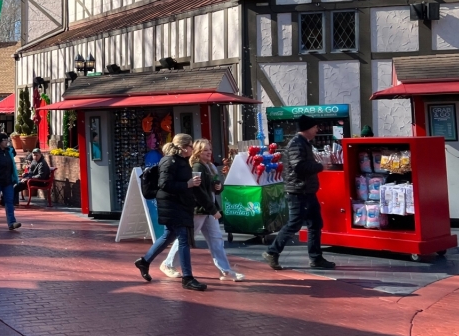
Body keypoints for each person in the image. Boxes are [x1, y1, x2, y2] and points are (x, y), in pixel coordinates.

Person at [160, 139, 245, 282]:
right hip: (199, 210)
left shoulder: (210, 166)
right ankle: (168, 264)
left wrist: (219, 187)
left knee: (216, 239)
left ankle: (225, 270)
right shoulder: (197, 166)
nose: (209, 152)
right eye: (205, 150)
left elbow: (212, 188)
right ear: (198, 152)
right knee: (186, 238)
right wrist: (213, 210)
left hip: (208, 209)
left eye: (210, 150)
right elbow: (199, 192)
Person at [132, 133, 207, 292]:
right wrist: (187, 184)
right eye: (190, 146)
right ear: (182, 147)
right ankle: (187, 277)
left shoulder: (181, 161)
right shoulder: (169, 161)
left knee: (168, 236)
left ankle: (144, 261)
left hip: (177, 205)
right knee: (184, 239)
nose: (192, 149)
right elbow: (164, 184)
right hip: (172, 205)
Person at [263, 115, 336, 271]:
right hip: (298, 191)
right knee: (294, 223)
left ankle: (316, 258)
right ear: (308, 128)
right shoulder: (297, 144)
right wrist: (320, 166)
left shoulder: (303, 143)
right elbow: (299, 167)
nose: (317, 130)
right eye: (315, 127)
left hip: (306, 191)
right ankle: (272, 251)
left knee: (315, 224)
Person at [0, 133, 21, 230]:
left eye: (7, 140)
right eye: (4, 140)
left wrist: (14, 177)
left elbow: (12, 165)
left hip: (8, 181)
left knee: (9, 201)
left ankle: (12, 222)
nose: (7, 142)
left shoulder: (9, 152)